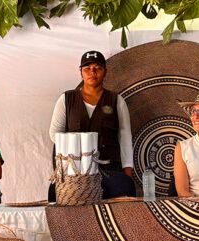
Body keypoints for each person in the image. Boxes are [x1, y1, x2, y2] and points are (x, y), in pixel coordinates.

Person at [48, 51, 135, 198]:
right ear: (81, 72)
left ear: (105, 72)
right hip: (74, 173)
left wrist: (128, 173)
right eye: (87, 68)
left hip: (108, 170)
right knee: (54, 194)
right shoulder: (66, 99)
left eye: (97, 68)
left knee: (125, 187)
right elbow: (54, 134)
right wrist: (78, 150)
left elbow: (125, 138)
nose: (92, 72)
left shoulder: (116, 101)